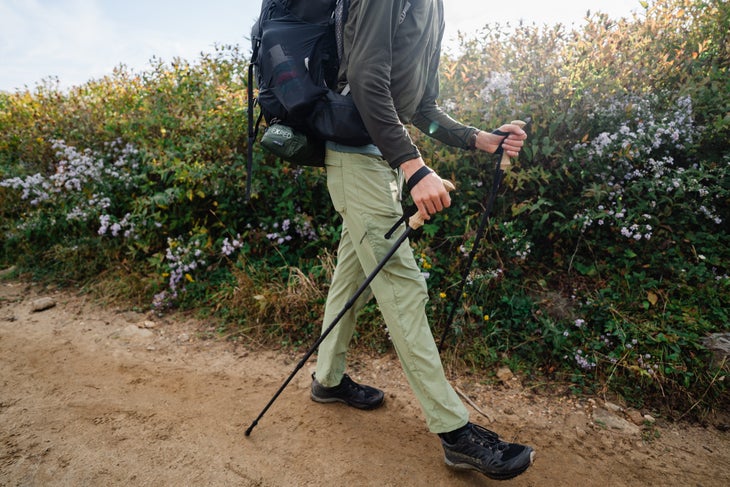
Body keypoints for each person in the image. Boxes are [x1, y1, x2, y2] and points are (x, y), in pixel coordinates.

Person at [310, 0, 535, 480]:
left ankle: (327, 380)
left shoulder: (433, 8)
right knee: (402, 283)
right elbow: (367, 80)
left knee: (354, 276)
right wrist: (414, 168)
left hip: (375, 160)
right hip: (355, 158)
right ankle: (455, 434)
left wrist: (480, 139)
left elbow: (419, 107)